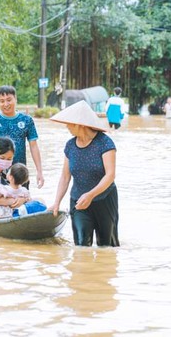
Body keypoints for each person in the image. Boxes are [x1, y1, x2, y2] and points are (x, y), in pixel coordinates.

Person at [47, 100, 119, 247]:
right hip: (79, 203)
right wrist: (56, 202)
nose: (66, 126)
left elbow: (110, 175)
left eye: (69, 123)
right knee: (81, 246)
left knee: (107, 247)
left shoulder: (105, 143)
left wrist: (91, 195)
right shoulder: (70, 145)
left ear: (80, 124)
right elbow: (65, 177)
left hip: (104, 201)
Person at [0, 85, 44, 188]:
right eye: (2, 101)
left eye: (9, 100)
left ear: (15, 99)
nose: (6, 104)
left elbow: (34, 146)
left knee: (21, 200)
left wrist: (39, 171)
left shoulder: (27, 120)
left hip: (20, 172)